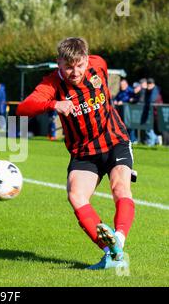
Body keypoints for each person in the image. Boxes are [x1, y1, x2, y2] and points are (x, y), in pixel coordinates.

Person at [16, 37, 135, 270]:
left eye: (79, 65)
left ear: (87, 59)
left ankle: (117, 241)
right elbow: (22, 109)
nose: (75, 71)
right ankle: (111, 253)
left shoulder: (98, 64)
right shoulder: (51, 85)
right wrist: (53, 105)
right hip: (83, 152)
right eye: (68, 66)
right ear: (58, 63)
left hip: (114, 142)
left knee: (120, 187)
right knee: (76, 196)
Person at [141, 78, 163, 146]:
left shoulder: (155, 90)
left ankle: (152, 143)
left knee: (152, 129)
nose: (148, 86)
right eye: (148, 84)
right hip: (151, 113)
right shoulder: (148, 91)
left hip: (156, 113)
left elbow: (151, 100)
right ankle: (156, 141)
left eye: (150, 84)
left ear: (153, 84)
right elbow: (143, 100)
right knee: (151, 128)